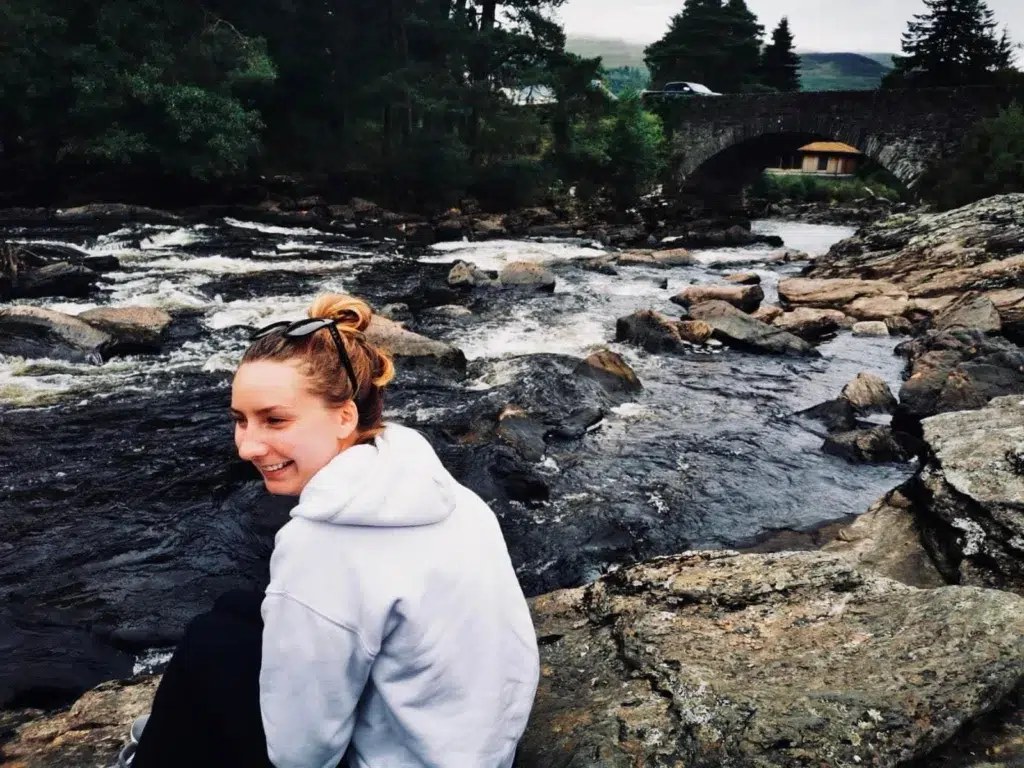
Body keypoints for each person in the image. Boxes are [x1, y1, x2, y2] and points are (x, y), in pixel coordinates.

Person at [128, 294, 540, 768]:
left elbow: (303, 755)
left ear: (345, 416)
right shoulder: (441, 490)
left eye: (274, 419)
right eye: (240, 420)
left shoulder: (322, 547)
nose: (247, 446)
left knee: (207, 646)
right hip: (479, 751)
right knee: (237, 610)